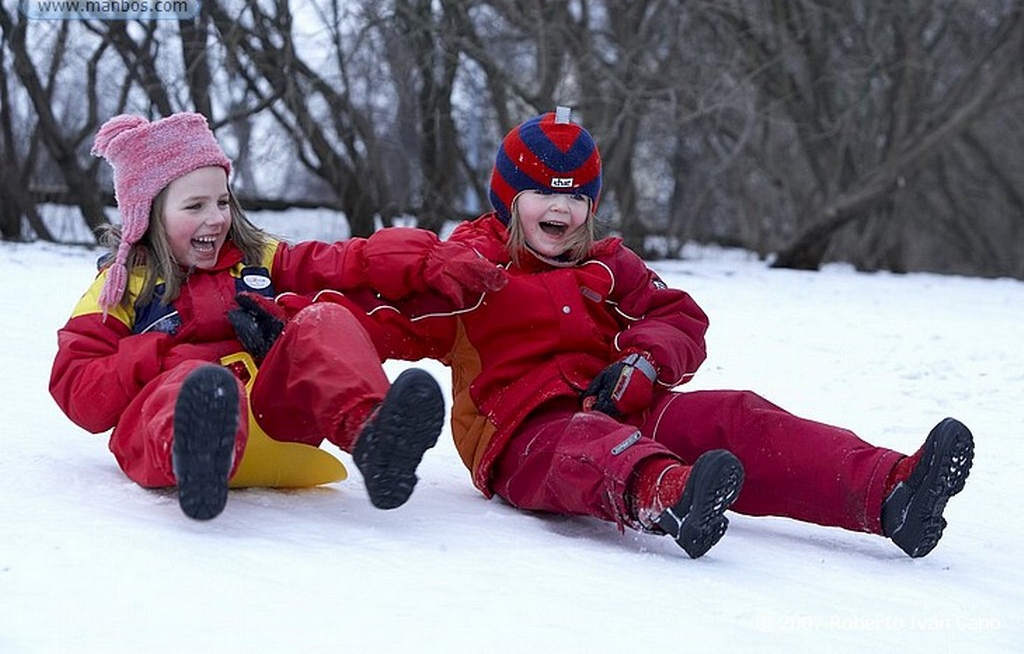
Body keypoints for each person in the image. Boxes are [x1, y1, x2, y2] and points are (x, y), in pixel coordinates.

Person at [337, 108, 975, 558]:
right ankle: (668, 496)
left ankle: (891, 490)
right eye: (541, 194)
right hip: (522, 438)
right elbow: (386, 320)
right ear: (508, 199)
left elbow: (679, 317)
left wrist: (643, 363)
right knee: (584, 443)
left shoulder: (608, 264)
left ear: (593, 205)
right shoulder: (471, 270)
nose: (560, 209)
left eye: (576, 197)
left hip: (629, 403)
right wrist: (294, 321)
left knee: (738, 416)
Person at [49, 112, 506, 521]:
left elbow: (345, 261)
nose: (215, 218)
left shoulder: (258, 259)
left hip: (273, 426)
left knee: (322, 318)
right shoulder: (122, 288)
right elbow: (77, 385)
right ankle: (201, 456)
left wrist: (424, 260)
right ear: (146, 214)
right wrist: (162, 354)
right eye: (195, 206)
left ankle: (374, 438)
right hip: (166, 440)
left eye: (222, 202)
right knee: (195, 381)